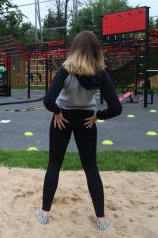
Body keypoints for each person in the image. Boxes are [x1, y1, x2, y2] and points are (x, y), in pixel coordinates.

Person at [36, 31, 122, 231]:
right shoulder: (100, 73)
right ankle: (101, 219)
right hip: (86, 122)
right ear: (96, 50)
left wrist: (57, 112)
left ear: (74, 48)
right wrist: (98, 116)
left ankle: (44, 214)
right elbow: (116, 109)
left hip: (62, 119)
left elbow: (49, 100)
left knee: (54, 164)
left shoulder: (66, 69)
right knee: (91, 167)